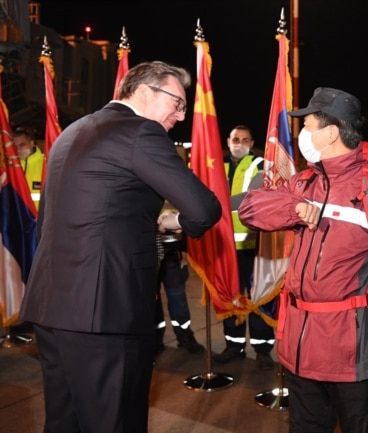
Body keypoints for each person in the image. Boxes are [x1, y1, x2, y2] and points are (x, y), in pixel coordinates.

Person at [19, 60, 221, 433]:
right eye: (176, 103)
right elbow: (204, 208)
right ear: (144, 92)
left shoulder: (72, 131)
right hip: (105, 312)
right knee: (116, 422)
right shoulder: (140, 133)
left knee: (65, 422)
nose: (179, 115)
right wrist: (174, 220)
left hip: (52, 307)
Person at [238, 87, 368, 433]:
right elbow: (250, 209)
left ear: (330, 133)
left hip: (352, 354)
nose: (303, 135)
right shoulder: (304, 182)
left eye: (308, 126)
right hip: (299, 350)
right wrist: (293, 207)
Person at [212, 125, 276, 371]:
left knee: (259, 297)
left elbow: (254, 195)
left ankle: (263, 350)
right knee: (231, 297)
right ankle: (234, 346)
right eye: (235, 139)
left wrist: (216, 204)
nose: (239, 143)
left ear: (252, 142)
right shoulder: (215, 163)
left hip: (254, 244)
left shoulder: (259, 164)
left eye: (245, 139)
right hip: (225, 246)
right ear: (228, 140)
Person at [155, 229, 205, 356]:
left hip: (173, 254)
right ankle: (155, 338)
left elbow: (184, 221)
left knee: (177, 299)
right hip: (149, 253)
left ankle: (184, 336)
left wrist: (185, 249)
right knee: (152, 300)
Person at [14, 126, 44, 210]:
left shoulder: (46, 164)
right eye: (15, 146)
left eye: (22, 145)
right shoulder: (8, 166)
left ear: (31, 143)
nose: (18, 149)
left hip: (38, 219)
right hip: (15, 218)